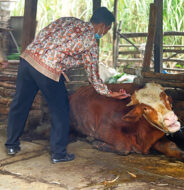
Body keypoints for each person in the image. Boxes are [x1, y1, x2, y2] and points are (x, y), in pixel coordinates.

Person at [3, 7, 130, 164]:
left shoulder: (68, 20)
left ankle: (11, 145)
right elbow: (94, 77)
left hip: (28, 59)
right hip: (48, 70)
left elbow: (45, 35)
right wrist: (110, 93)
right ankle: (58, 153)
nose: (104, 34)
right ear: (103, 25)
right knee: (61, 110)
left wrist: (54, 62)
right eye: (107, 30)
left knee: (20, 104)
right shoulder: (91, 42)